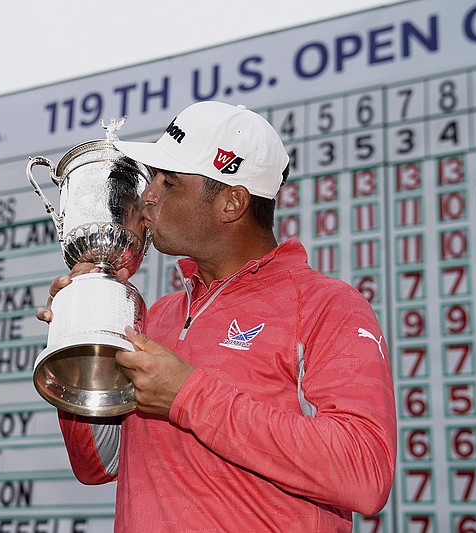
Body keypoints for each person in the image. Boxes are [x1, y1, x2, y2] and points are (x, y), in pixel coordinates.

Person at [36, 101, 396, 532]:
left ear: (232, 203)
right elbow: (98, 464)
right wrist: (81, 336)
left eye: (169, 183)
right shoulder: (156, 315)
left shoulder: (325, 305)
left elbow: (366, 473)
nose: (147, 196)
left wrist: (189, 396)